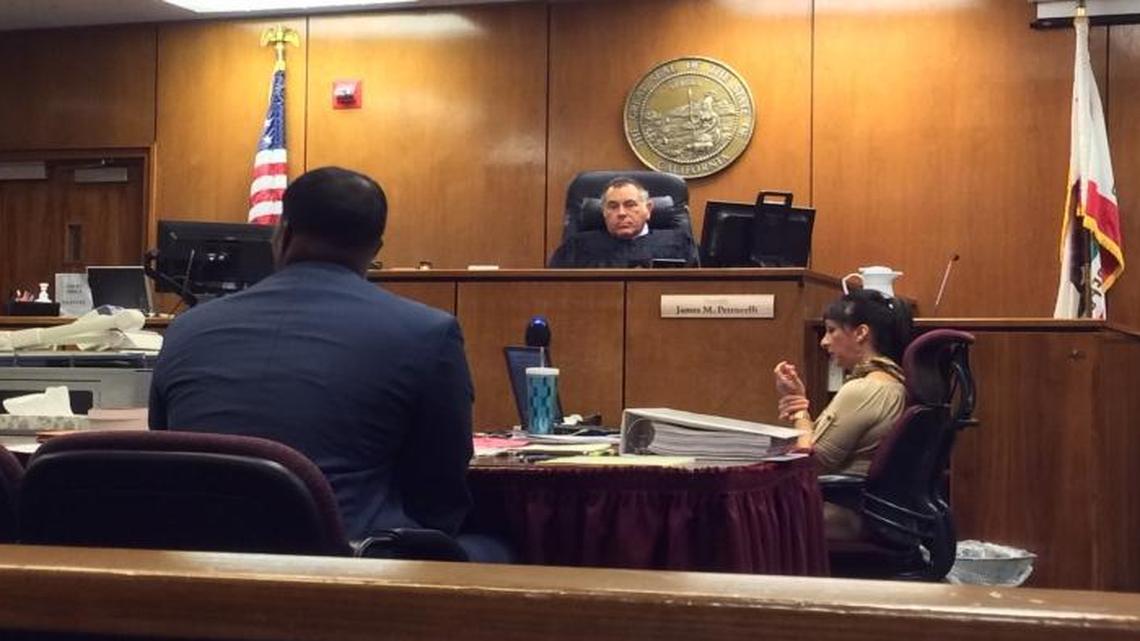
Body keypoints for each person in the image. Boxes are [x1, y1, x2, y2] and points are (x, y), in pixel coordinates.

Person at [149, 166, 474, 542]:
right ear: (375, 249)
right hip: (351, 563)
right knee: (495, 544)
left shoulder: (187, 328)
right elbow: (442, 488)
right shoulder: (427, 331)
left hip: (198, 559)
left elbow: (166, 450)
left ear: (282, 233)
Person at [773, 289, 913, 540]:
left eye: (831, 330)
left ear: (861, 333)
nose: (824, 342)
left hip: (846, 512)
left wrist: (799, 409)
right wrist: (798, 401)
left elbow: (807, 464)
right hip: (878, 514)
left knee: (740, 519)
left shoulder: (864, 389)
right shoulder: (895, 383)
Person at [548, 176, 699, 268]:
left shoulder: (679, 243)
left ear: (648, 209)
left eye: (630, 205)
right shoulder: (577, 247)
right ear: (604, 212)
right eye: (613, 206)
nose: (621, 213)